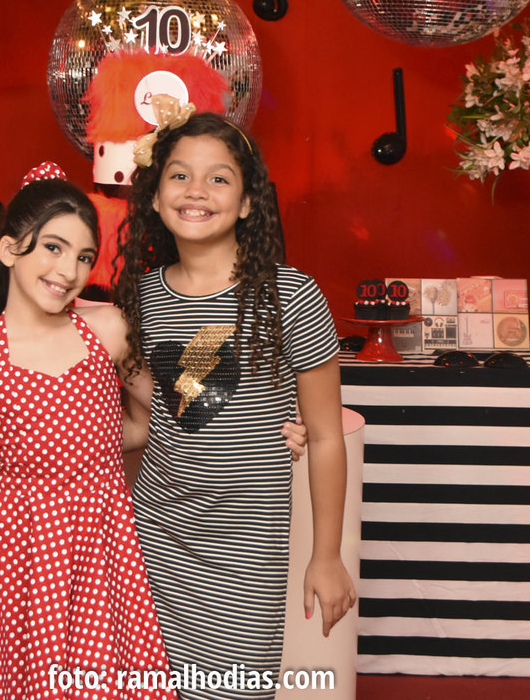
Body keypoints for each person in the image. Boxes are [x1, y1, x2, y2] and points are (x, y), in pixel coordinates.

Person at [115, 101, 356, 699]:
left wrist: (326, 556)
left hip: (247, 549)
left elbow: (326, 435)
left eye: (218, 178)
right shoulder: (135, 300)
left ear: (248, 202)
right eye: (179, 175)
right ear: (154, 196)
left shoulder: (290, 297)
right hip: (153, 537)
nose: (196, 190)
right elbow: (151, 420)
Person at [0, 164, 176, 700]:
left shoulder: (108, 329)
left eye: (85, 256)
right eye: (53, 248)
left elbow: (165, 410)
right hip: (18, 559)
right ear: (9, 250)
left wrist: (268, 416)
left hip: (102, 550)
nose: (69, 271)